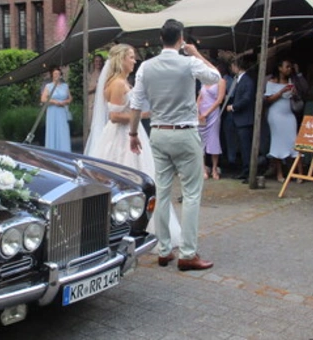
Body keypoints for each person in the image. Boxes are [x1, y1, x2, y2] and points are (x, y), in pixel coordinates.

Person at [128, 19, 220, 272]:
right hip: (185, 132)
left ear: (160, 38)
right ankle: (188, 253)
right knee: (191, 194)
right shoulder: (189, 62)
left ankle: (165, 249)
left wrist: (133, 133)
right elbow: (215, 77)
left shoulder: (146, 67)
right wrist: (196, 53)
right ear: (180, 38)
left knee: (163, 193)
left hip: (158, 133)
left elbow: (136, 103)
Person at [86, 44, 181, 249]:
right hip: (121, 137)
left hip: (129, 133)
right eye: (131, 57)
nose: (134, 60)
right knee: (131, 179)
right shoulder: (118, 84)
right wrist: (142, 115)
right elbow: (114, 116)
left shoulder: (121, 82)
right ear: (121, 60)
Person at [264, 59, 298, 182]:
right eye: (287, 67)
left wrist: (293, 93)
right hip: (276, 114)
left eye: (290, 67)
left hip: (289, 114)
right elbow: (268, 99)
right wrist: (281, 91)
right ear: (280, 68)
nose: (289, 69)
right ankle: (279, 173)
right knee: (278, 143)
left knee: (293, 142)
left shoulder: (291, 81)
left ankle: (294, 172)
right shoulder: (271, 82)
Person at [226, 55, 255, 183]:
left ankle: (248, 172)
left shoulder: (247, 81)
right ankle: (244, 170)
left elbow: (247, 99)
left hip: (244, 118)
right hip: (239, 119)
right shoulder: (239, 79)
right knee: (242, 147)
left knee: (246, 147)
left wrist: (233, 107)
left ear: (237, 66)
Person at [197, 62, 226, 180]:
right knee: (200, 141)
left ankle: (214, 168)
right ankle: (203, 168)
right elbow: (199, 97)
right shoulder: (204, 82)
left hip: (213, 113)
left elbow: (219, 100)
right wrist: (197, 111)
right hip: (201, 114)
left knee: (213, 139)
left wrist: (207, 113)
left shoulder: (221, 81)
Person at [41, 66, 72, 152]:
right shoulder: (48, 86)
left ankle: (64, 150)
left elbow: (70, 98)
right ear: (52, 75)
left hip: (62, 110)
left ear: (60, 75)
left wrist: (64, 102)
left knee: (63, 131)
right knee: (52, 130)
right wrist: (54, 102)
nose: (56, 75)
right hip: (52, 110)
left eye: (58, 74)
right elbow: (43, 99)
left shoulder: (65, 86)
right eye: (55, 74)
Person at [86, 54, 105, 126]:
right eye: (96, 61)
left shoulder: (104, 74)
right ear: (93, 62)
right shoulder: (89, 75)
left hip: (102, 102)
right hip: (92, 103)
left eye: (100, 61)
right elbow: (85, 91)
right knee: (92, 124)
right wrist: (95, 88)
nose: (98, 63)